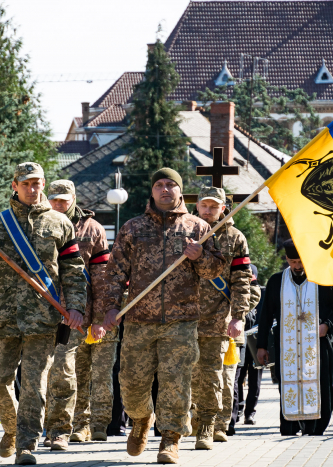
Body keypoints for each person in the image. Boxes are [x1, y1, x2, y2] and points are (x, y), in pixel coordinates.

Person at [99, 168, 225, 464]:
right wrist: (111, 307)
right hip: (139, 320)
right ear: (152, 191)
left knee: (176, 381)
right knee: (130, 383)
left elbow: (215, 269)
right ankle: (141, 419)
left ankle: (170, 438)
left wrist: (201, 256)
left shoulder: (197, 227)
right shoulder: (133, 227)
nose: (165, 189)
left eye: (171, 185)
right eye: (159, 185)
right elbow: (115, 271)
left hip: (181, 321)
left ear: (181, 191)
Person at [0, 162, 87, 466]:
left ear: (43, 185)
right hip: (3, 317)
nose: (32, 189)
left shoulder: (61, 223)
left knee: (35, 385)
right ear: (14, 186)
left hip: (42, 318)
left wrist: (75, 307)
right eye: (26, 184)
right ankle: (11, 428)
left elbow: (73, 271)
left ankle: (26, 444)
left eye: (37, 184)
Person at [43, 180, 114, 450]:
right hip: (49, 313)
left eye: (64, 199)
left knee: (78, 372)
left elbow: (101, 279)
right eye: (55, 199)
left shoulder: (93, 229)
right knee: (58, 372)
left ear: (74, 198)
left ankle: (85, 425)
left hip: (79, 313)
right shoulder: (42, 225)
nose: (59, 204)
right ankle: (58, 426)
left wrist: (97, 318)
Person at [256, 240, 333, 436]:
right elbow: (265, 316)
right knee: (288, 384)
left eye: (300, 262)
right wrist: (262, 346)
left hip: (318, 346)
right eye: (293, 262)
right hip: (286, 348)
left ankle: (316, 428)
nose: (297, 266)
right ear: (287, 259)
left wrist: (328, 325)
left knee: (321, 385)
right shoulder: (276, 281)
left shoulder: (323, 278)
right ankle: (291, 426)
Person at [187, 187, 255, 450]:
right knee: (187, 375)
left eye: (213, 206)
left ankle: (209, 426)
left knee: (213, 376)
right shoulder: (186, 232)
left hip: (218, 318)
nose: (207, 210)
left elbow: (241, 281)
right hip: (185, 317)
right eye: (204, 205)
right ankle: (189, 423)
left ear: (223, 209)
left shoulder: (235, 238)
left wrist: (238, 316)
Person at [229, 265, 263, 433]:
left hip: (256, 342)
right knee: (238, 377)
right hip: (241, 342)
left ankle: (250, 412)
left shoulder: (257, 293)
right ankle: (240, 408)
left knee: (255, 380)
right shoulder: (234, 293)